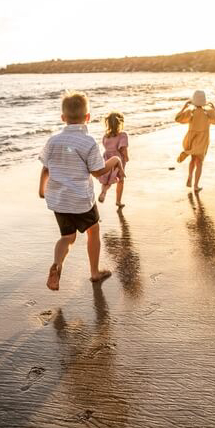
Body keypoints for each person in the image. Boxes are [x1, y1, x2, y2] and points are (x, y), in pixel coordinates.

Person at [39, 91, 120, 291]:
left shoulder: (53, 141)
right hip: (81, 200)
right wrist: (115, 160)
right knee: (93, 231)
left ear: (63, 118)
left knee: (67, 237)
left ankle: (57, 264)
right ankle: (94, 272)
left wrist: (42, 190)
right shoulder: (88, 142)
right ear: (88, 117)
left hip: (59, 201)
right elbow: (97, 171)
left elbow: (46, 168)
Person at [175, 90, 215, 192]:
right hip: (202, 140)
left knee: (193, 159)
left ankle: (190, 176)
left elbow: (177, 118)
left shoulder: (191, 112)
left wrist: (184, 107)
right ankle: (196, 186)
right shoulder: (208, 112)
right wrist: (214, 109)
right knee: (200, 162)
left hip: (191, 138)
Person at [97, 112, 129, 207]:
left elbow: (105, 146)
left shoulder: (106, 136)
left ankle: (104, 192)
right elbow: (123, 148)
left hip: (106, 158)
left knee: (107, 179)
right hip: (117, 160)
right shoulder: (122, 135)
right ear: (120, 123)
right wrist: (126, 157)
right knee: (120, 180)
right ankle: (118, 201)